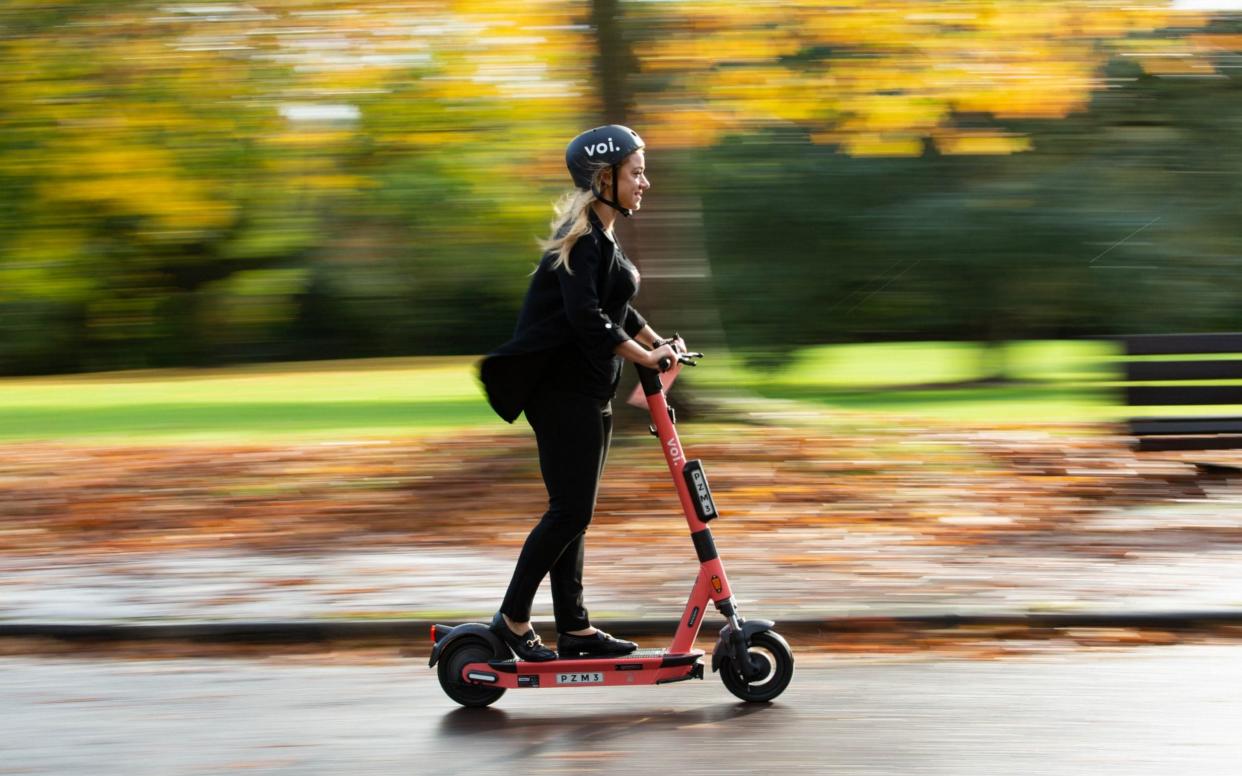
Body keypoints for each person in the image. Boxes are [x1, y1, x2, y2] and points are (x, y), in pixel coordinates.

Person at [478, 124, 682, 662]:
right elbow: (586, 319)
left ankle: (575, 628)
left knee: (575, 512)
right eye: (636, 172)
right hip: (560, 393)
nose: (645, 182)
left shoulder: (601, 233)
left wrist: (660, 345)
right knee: (569, 512)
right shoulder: (584, 237)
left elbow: (615, 304)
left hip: (590, 391)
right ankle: (513, 620)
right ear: (604, 177)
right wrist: (645, 358)